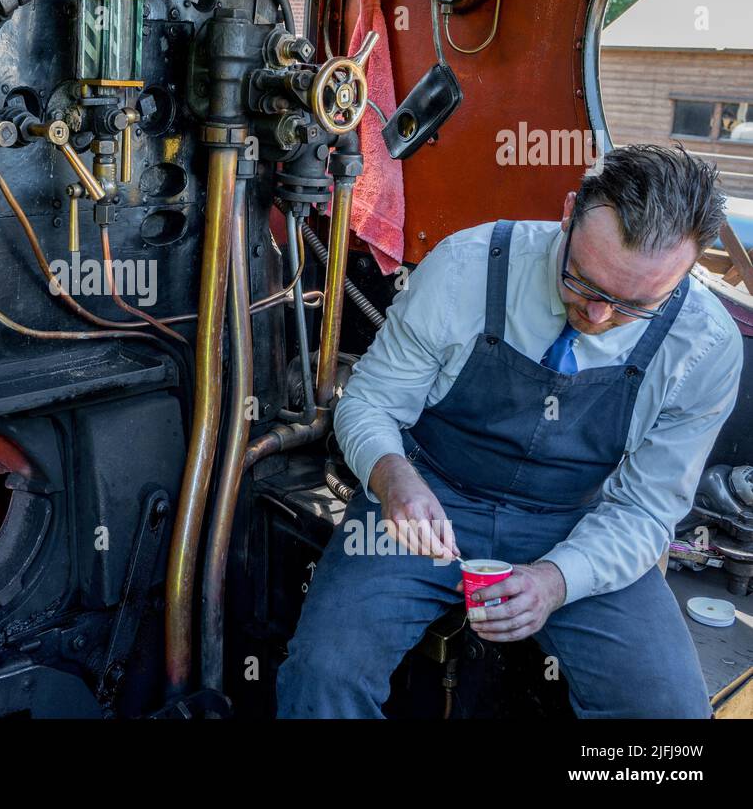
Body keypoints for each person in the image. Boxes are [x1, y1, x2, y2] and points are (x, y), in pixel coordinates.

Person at [276, 144, 742, 718]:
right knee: (323, 674)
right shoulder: (468, 266)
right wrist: (391, 474)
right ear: (569, 213)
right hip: (425, 503)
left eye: (633, 307)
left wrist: (556, 580)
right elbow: (369, 403)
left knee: (667, 716)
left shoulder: (706, 346)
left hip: (581, 525)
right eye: (585, 285)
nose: (597, 317)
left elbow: (646, 511)